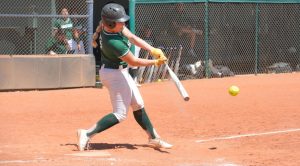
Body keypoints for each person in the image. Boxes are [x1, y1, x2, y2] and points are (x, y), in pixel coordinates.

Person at [77, 3, 172, 151]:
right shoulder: (113, 42)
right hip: (114, 75)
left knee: (138, 104)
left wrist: (152, 49)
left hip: (119, 72)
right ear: (110, 23)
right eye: (120, 21)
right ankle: (87, 133)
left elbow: (132, 37)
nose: (123, 23)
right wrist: (155, 62)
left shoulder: (110, 26)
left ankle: (153, 137)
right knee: (120, 114)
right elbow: (133, 61)